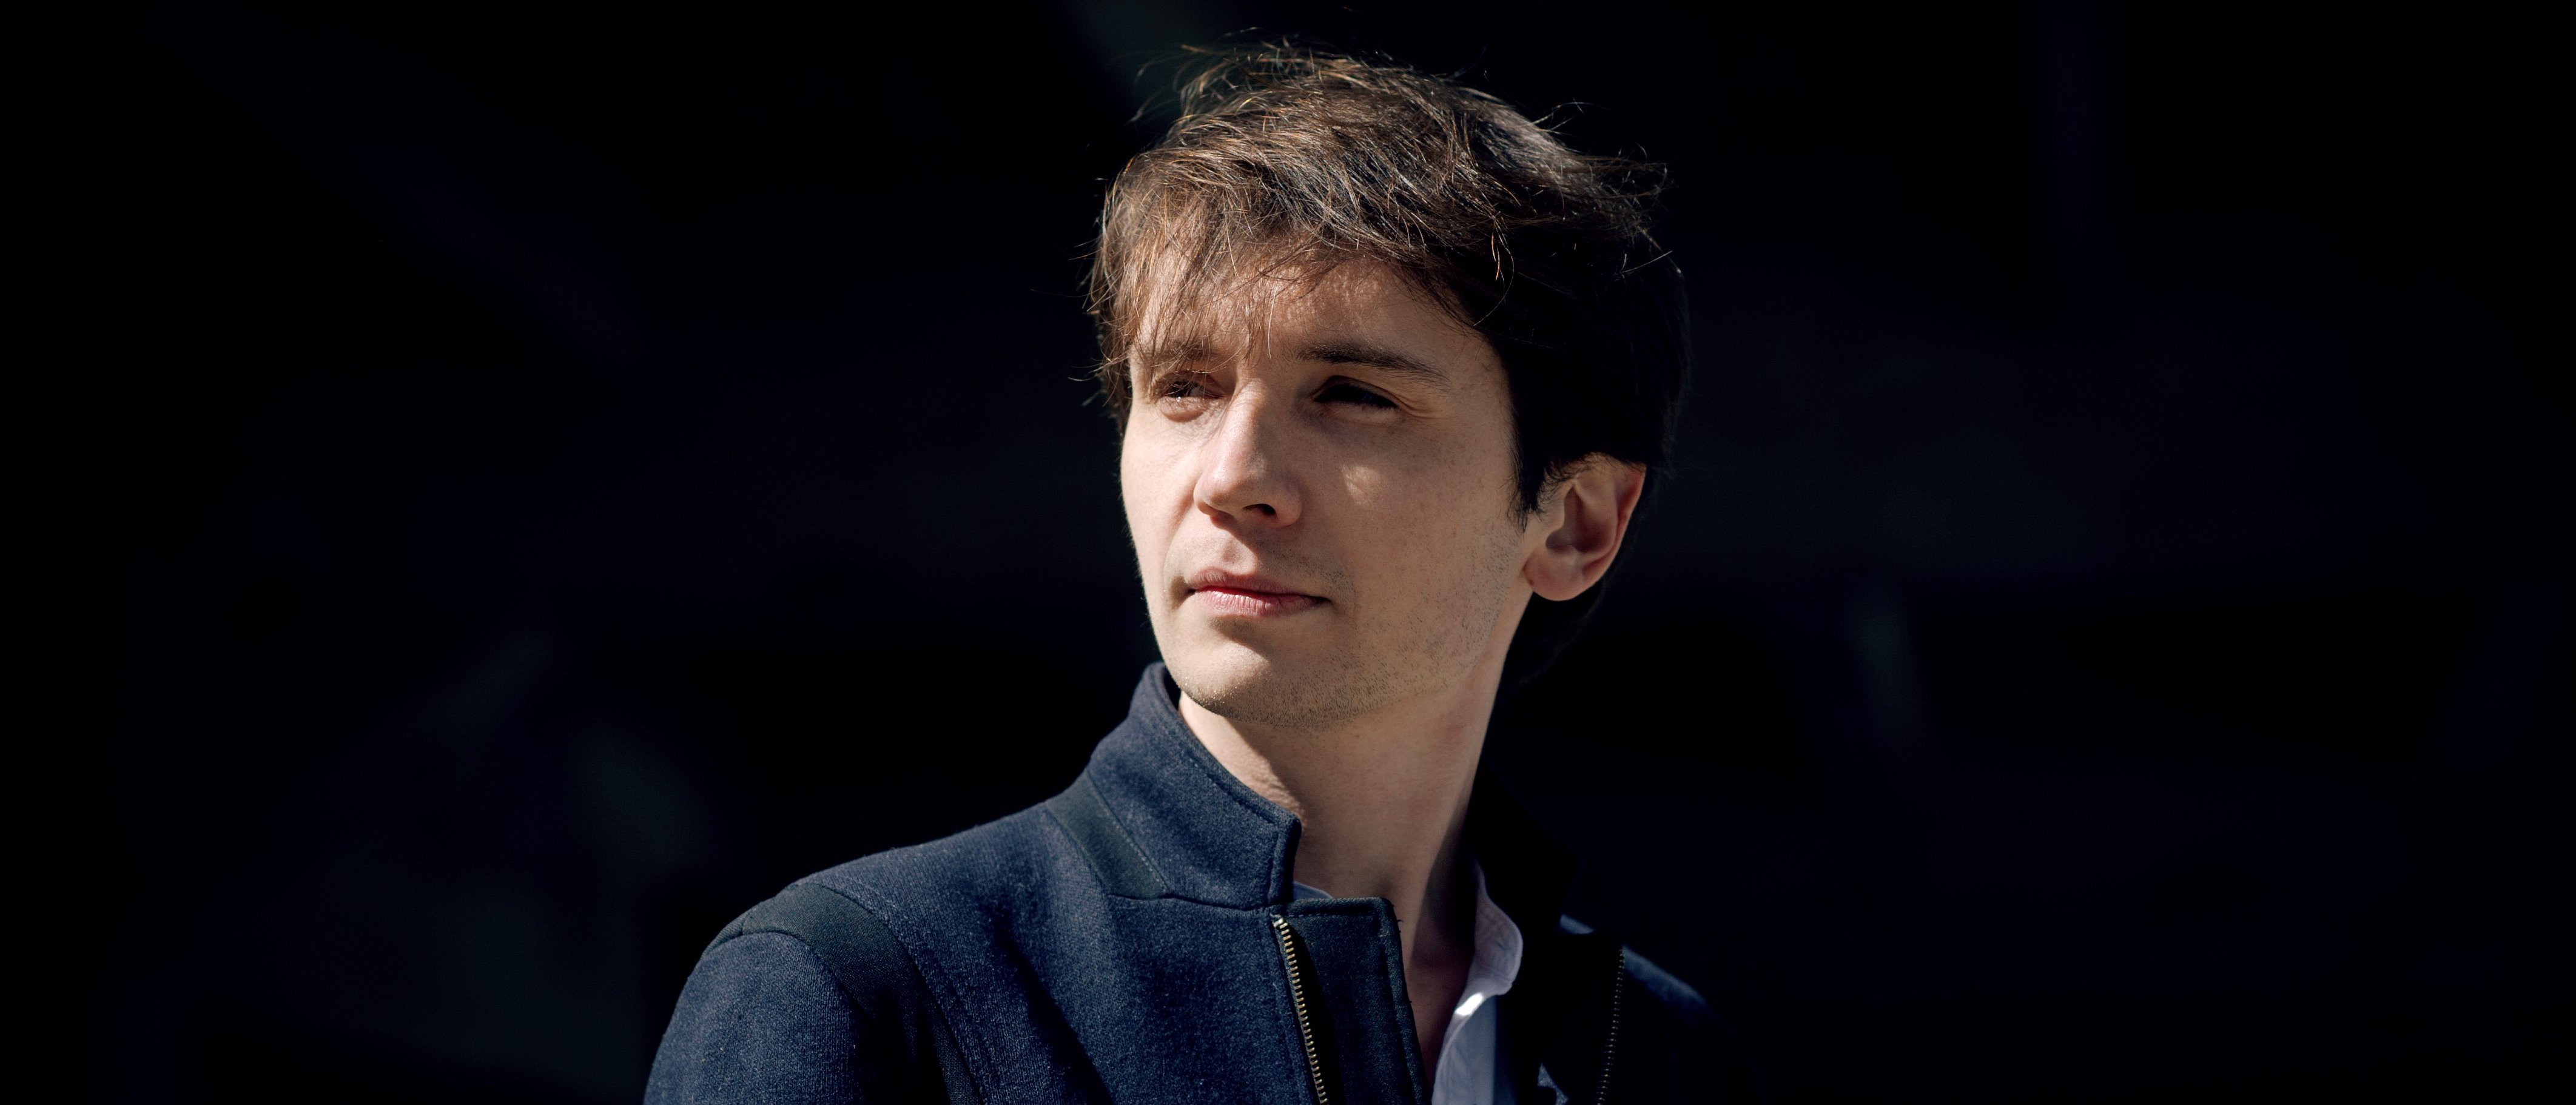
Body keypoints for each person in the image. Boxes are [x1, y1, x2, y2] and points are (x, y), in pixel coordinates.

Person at [645, 45, 1755, 1104]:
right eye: (1183, 386)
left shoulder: (1665, 1062)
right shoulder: (856, 996)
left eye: (1352, 395)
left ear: (1574, 523)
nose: (1230, 478)